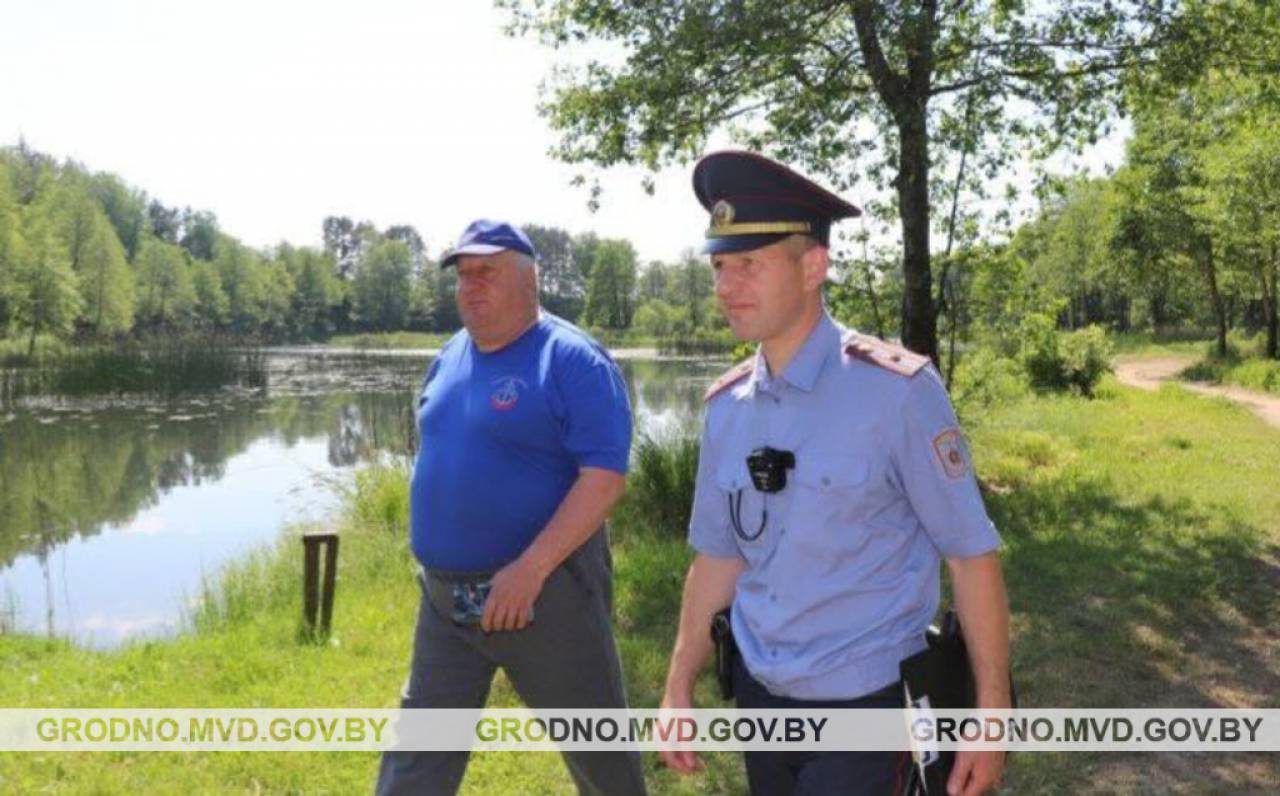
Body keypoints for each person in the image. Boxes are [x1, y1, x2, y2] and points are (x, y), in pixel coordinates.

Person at [658, 152, 1011, 796]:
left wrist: (992, 714)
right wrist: (679, 683)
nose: (726, 285)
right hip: (762, 703)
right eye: (719, 267)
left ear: (813, 266)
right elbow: (717, 557)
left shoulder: (897, 392)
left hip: (868, 709)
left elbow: (970, 554)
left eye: (749, 264)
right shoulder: (726, 410)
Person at [376, 219, 647, 796]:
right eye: (463, 275)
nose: (470, 286)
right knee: (416, 760)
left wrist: (530, 571)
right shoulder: (449, 356)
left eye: (487, 273)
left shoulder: (572, 360)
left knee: (601, 758)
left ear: (531, 279)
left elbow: (603, 479)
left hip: (546, 597)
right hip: (446, 603)